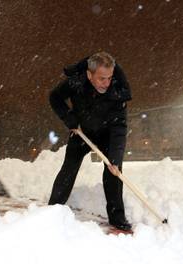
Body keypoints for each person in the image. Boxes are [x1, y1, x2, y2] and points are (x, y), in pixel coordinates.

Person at [48, 52, 132, 231]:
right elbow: (54, 97)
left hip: (108, 133)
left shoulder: (117, 89)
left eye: (109, 78)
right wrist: (69, 119)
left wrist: (115, 158)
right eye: (102, 78)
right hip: (82, 131)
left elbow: (120, 127)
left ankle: (117, 217)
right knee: (69, 168)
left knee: (114, 171)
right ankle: (53, 210)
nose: (106, 83)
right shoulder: (75, 82)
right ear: (89, 74)